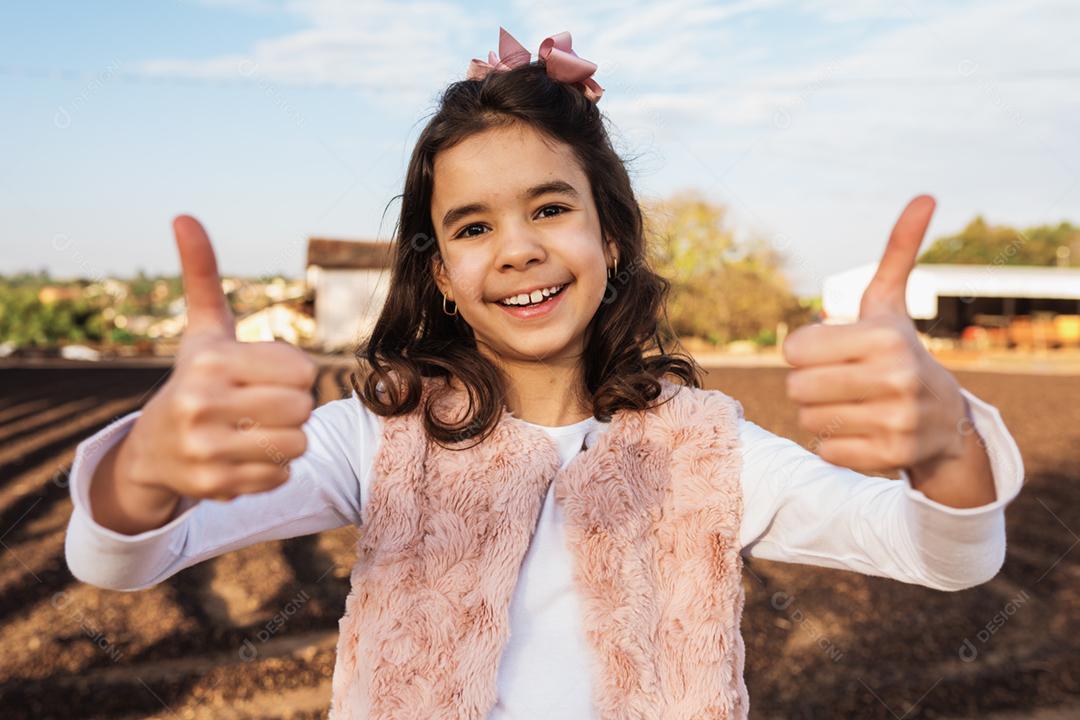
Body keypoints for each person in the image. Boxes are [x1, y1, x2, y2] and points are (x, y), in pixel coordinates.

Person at [64, 27, 1024, 720]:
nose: (516, 249)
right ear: (440, 274)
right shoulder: (372, 438)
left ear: (608, 234)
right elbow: (125, 555)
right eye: (473, 227)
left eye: (549, 209)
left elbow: (949, 557)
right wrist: (144, 470)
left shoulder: (708, 448)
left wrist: (948, 447)